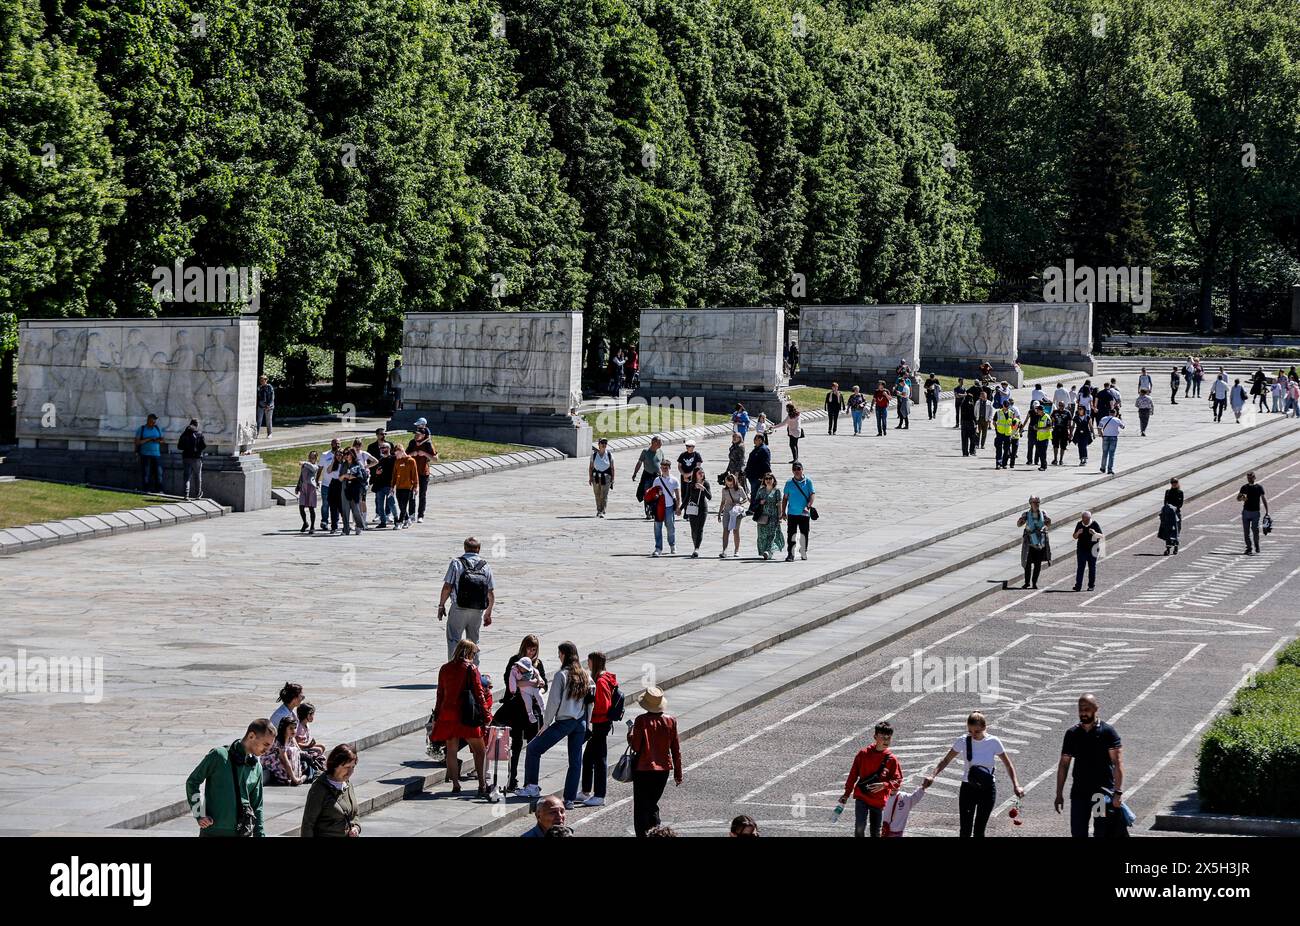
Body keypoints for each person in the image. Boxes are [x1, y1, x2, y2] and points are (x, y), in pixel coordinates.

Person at [923, 711, 1025, 837]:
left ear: (984, 727)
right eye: (970, 731)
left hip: (987, 790)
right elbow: (946, 760)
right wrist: (932, 775)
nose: (973, 735)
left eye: (976, 731)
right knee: (965, 830)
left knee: (979, 830)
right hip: (968, 788)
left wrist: (1016, 785)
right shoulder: (963, 741)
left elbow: (1008, 764)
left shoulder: (993, 742)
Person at [518, 641, 594, 808]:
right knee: (575, 761)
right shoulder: (586, 676)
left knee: (533, 749)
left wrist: (546, 723)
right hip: (580, 722)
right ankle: (569, 799)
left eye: (559, 654)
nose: (558, 657)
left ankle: (531, 786)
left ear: (564, 655)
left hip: (564, 721)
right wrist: (587, 723)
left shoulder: (562, 675)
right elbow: (590, 702)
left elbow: (553, 701)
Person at [185, 719, 275, 837]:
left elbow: (257, 807)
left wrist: (260, 835)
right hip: (214, 832)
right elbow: (192, 782)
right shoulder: (219, 756)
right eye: (266, 744)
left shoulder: (256, 767)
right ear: (251, 736)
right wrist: (199, 813)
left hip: (243, 832)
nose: (267, 750)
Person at [1056, 694, 1125, 837]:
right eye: (1080, 709)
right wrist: (1059, 794)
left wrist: (1117, 792)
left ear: (1096, 709)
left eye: (1087, 709)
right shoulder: (1072, 734)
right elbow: (1064, 765)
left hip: (1100, 794)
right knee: (1078, 832)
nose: (1083, 712)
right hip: (1079, 794)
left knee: (1101, 831)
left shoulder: (1107, 732)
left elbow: (1117, 763)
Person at [431, 639, 490, 796]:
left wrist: (437, 714)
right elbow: (478, 693)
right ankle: (482, 785)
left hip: (447, 714)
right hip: (467, 714)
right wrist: (486, 714)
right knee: (480, 750)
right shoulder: (471, 668)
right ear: (469, 652)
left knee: (451, 750)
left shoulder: (444, 668)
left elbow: (440, 693)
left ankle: (455, 784)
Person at [495, 635, 550, 792]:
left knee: (533, 745)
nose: (531, 652)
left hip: (532, 708)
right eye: (529, 648)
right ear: (523, 647)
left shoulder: (538, 664)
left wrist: (539, 687)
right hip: (516, 708)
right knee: (516, 744)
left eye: (534, 649)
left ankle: (530, 781)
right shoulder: (515, 661)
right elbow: (510, 681)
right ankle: (512, 779)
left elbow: (544, 682)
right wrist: (531, 683)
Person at [626, 686, 683, 837]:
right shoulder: (671, 721)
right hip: (663, 769)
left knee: (641, 807)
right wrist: (678, 773)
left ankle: (643, 834)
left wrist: (630, 734)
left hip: (643, 768)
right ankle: (656, 832)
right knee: (652, 804)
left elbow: (636, 746)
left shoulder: (641, 720)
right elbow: (676, 749)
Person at [837, 721, 902, 838]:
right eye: (883, 737)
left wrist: (885, 785)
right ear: (875, 737)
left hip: (879, 801)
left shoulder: (892, 760)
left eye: (889, 737)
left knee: (875, 832)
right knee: (859, 828)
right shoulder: (863, 754)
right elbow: (853, 775)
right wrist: (846, 794)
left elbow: (898, 780)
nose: (886, 740)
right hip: (862, 797)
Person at [438, 537, 495, 660]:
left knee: (454, 639)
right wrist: (488, 612)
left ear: (465, 548)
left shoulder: (456, 563)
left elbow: (447, 586)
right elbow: (490, 592)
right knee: (474, 641)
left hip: (459, 607)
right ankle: (473, 670)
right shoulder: (485, 566)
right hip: (477, 610)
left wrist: (441, 605)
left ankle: (454, 670)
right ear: (479, 549)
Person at [579, 651, 619, 806]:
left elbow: (604, 706)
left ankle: (599, 794)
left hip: (600, 724)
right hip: (602, 724)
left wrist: (591, 706)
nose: (587, 665)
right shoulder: (605, 678)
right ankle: (586, 791)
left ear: (594, 662)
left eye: (589, 662)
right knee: (588, 757)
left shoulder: (601, 681)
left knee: (599, 759)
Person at [300, 743, 361, 837]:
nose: (350, 772)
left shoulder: (348, 785)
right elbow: (308, 824)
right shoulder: (319, 788)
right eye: (347, 767)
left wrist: (356, 827)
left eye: (353, 767)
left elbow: (354, 814)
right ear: (335, 765)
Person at [645, 459, 681, 556]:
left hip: (669, 507)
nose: (664, 469)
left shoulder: (674, 480)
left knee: (670, 527)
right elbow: (652, 494)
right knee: (657, 528)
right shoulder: (657, 480)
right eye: (663, 467)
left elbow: (678, 496)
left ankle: (672, 545)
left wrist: (678, 507)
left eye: (666, 467)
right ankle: (658, 548)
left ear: (669, 468)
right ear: (660, 468)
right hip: (658, 508)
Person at [782, 462, 816, 562]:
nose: (797, 471)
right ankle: (790, 554)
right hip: (792, 513)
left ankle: (803, 551)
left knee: (804, 533)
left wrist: (808, 506)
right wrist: (783, 512)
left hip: (804, 513)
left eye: (798, 469)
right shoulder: (789, 483)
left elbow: (812, 494)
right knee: (791, 534)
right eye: (795, 469)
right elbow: (785, 498)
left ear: (802, 469)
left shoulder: (808, 481)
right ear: (792, 471)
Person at [406, 422, 439, 523]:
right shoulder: (412, 443)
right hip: (412, 473)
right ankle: (411, 514)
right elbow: (405, 456)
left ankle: (421, 515)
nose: (416, 436)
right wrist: (413, 453)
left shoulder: (428, 444)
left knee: (422, 494)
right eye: (415, 434)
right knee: (411, 494)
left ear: (423, 435)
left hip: (423, 473)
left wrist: (424, 453)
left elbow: (435, 459)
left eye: (418, 434)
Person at [1017, 496, 1052, 589]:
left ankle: (1034, 582)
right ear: (1030, 503)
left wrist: (1047, 524)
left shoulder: (1043, 513)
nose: (1036, 504)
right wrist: (1021, 521)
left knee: (1037, 564)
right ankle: (1027, 582)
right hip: (1029, 542)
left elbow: (1048, 524)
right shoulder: (1026, 514)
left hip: (1040, 542)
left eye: (1037, 502)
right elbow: (1018, 524)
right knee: (1027, 563)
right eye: (1034, 502)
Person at [262, 715, 307, 786]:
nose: (294, 730)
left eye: (295, 728)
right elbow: (285, 760)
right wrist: (293, 778)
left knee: (293, 750)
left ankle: (294, 777)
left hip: (280, 758)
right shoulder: (280, 740)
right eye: (291, 728)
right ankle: (286, 779)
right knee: (289, 752)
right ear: (284, 729)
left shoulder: (290, 737)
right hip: (269, 759)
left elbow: (297, 750)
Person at [633, 435, 665, 520]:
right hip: (647, 476)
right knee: (647, 494)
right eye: (659, 443)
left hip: (657, 477)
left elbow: (663, 464)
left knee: (657, 495)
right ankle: (648, 512)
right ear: (654, 443)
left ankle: (654, 512)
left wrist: (664, 475)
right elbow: (639, 463)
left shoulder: (660, 451)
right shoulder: (645, 451)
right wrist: (635, 473)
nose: (661, 444)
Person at [717, 472, 749, 559]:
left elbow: (746, 498)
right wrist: (719, 513)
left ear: (734, 482)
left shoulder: (739, 489)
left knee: (736, 530)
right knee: (725, 530)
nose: (729, 485)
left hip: (736, 511)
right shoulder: (724, 490)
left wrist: (739, 503)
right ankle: (724, 550)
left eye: (731, 484)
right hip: (727, 511)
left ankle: (736, 550)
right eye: (727, 483)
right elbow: (723, 501)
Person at [683, 466, 712, 558]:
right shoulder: (691, 484)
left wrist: (703, 488)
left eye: (702, 472)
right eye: (699, 473)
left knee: (700, 529)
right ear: (695, 474)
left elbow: (709, 497)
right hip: (692, 508)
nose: (701, 474)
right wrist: (680, 508)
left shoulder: (706, 483)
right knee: (693, 529)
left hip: (703, 508)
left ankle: (696, 548)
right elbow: (687, 497)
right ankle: (695, 544)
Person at [754, 472, 784, 560]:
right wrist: (760, 502)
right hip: (762, 516)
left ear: (774, 480)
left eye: (770, 478)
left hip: (773, 516)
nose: (768, 480)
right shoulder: (761, 490)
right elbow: (755, 502)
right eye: (766, 479)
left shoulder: (777, 491)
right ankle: (766, 551)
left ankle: (768, 551)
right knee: (762, 535)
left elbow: (779, 504)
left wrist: (780, 516)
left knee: (772, 534)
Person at [1238, 471, 1268, 555]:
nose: (1250, 479)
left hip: (1255, 512)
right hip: (1246, 512)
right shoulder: (1244, 487)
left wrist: (1267, 511)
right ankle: (1249, 548)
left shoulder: (1259, 487)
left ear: (1254, 478)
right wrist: (1244, 498)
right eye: (1248, 478)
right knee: (1246, 532)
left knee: (1255, 530)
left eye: (1251, 477)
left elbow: (1263, 499)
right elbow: (1238, 498)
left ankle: (1256, 545)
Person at [134, 413, 165, 493]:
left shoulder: (157, 428)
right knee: (146, 473)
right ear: (148, 420)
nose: (154, 423)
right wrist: (148, 439)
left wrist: (158, 440)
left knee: (158, 473)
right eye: (152, 421)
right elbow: (137, 442)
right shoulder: (142, 429)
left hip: (156, 454)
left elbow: (162, 440)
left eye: (155, 421)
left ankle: (159, 489)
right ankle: (146, 489)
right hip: (145, 454)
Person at [1072, 511, 1103, 592]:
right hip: (1082, 549)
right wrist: (1078, 532)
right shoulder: (1079, 524)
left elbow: (1101, 536)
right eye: (1083, 519)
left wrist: (1094, 533)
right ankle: (1078, 585)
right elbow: (1074, 536)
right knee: (1080, 567)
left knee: (1092, 567)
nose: (1084, 521)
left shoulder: (1094, 524)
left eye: (1086, 519)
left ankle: (1091, 585)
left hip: (1093, 549)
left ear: (1089, 518)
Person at [339, 448, 367, 535]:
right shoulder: (344, 465)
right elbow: (340, 478)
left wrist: (351, 476)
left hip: (355, 489)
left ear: (352, 454)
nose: (346, 455)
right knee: (345, 509)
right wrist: (344, 475)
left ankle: (358, 526)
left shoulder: (358, 463)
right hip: (345, 488)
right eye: (345, 454)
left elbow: (362, 476)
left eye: (348, 454)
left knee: (356, 509)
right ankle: (346, 529)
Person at [177, 418, 206, 500]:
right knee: (197, 477)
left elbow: (179, 446)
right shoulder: (199, 434)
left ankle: (186, 495)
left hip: (186, 457)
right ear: (197, 425)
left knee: (187, 477)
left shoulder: (184, 434)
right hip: (197, 458)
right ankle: (198, 494)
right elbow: (204, 446)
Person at [391, 444, 418, 528]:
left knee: (404, 505)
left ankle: (399, 522)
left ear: (402, 451)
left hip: (408, 487)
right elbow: (394, 475)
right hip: (399, 487)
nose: (396, 456)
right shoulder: (397, 461)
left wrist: (416, 487)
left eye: (397, 454)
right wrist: (392, 486)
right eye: (395, 454)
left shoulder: (411, 461)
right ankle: (407, 520)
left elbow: (415, 475)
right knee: (401, 505)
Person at [317, 437, 341, 528]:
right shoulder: (325, 455)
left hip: (338, 484)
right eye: (336, 443)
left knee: (337, 504)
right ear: (331, 444)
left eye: (339, 443)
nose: (337, 445)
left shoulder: (342, 456)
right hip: (326, 484)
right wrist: (316, 480)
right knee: (326, 504)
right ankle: (324, 521)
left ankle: (335, 521)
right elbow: (320, 468)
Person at [588, 437, 614, 517]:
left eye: (605, 443)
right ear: (598, 445)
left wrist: (613, 479)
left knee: (604, 494)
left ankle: (602, 510)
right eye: (602, 443)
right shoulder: (594, 455)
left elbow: (612, 467)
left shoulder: (609, 455)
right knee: (597, 494)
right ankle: (598, 510)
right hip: (596, 477)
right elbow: (591, 467)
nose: (604, 445)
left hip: (606, 477)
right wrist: (590, 478)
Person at [296, 451, 320, 533]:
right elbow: (301, 476)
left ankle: (312, 526)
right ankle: (305, 523)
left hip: (311, 488)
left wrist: (304, 462)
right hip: (303, 487)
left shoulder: (315, 466)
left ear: (316, 459)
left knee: (311, 508)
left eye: (312, 458)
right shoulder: (305, 465)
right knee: (301, 506)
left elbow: (313, 468)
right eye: (309, 457)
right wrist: (298, 486)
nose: (310, 459)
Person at [744, 432, 771, 501]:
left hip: (758, 476)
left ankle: (754, 509)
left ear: (761, 440)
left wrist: (764, 476)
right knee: (754, 493)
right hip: (752, 475)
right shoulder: (757, 448)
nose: (754, 440)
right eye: (754, 439)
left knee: (756, 493)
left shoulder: (764, 449)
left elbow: (766, 463)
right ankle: (754, 509)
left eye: (756, 439)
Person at [1159, 477, 1183, 555]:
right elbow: (1165, 502)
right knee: (1168, 530)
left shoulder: (1180, 492)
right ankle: (1168, 548)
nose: (1174, 484)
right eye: (1172, 482)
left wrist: (1175, 508)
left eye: (1175, 482)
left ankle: (1176, 546)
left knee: (1176, 530)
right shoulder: (1168, 492)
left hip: (1176, 513)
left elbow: (1180, 504)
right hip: (1169, 514)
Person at [1097, 409, 1124, 475]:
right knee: (1111, 454)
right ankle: (1110, 469)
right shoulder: (1117, 420)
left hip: (1105, 437)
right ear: (1115, 413)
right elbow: (1123, 427)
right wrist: (1120, 419)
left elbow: (1099, 427)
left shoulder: (1104, 418)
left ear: (1109, 412)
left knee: (1104, 453)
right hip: (1113, 437)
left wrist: (1101, 434)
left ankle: (1103, 468)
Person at [992, 403, 1019, 469]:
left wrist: (1013, 432)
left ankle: (1004, 464)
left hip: (1007, 434)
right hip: (1000, 433)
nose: (1006, 408)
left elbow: (1013, 423)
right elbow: (994, 422)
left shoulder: (1011, 413)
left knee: (1006, 450)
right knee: (999, 449)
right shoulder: (998, 412)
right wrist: (996, 429)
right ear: (1003, 406)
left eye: (1007, 406)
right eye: (1005, 406)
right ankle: (998, 463)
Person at [1050, 401, 1072, 465]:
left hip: (1064, 430)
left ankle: (1061, 459)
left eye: (1062, 405)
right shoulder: (1055, 412)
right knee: (1055, 445)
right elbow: (1052, 420)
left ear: (1064, 405)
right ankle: (1055, 459)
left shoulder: (1067, 412)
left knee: (1063, 446)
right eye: (1060, 405)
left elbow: (1069, 424)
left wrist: (1070, 433)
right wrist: (1052, 426)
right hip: (1056, 430)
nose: (1061, 407)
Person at [1032, 401, 1052, 470]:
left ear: (1041, 411)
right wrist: (1035, 427)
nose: (1037, 412)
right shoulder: (1039, 417)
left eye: (1038, 410)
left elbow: (1049, 427)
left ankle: (1044, 466)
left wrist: (1039, 428)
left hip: (1045, 438)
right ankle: (1042, 465)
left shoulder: (1046, 417)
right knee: (1040, 452)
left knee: (1043, 453)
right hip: (1039, 438)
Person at [960, 389, 979, 457]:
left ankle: (965, 452)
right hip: (970, 423)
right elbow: (973, 415)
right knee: (972, 438)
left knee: (964, 439)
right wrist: (976, 422)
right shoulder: (971, 405)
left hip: (964, 423)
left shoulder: (962, 404)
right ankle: (972, 451)